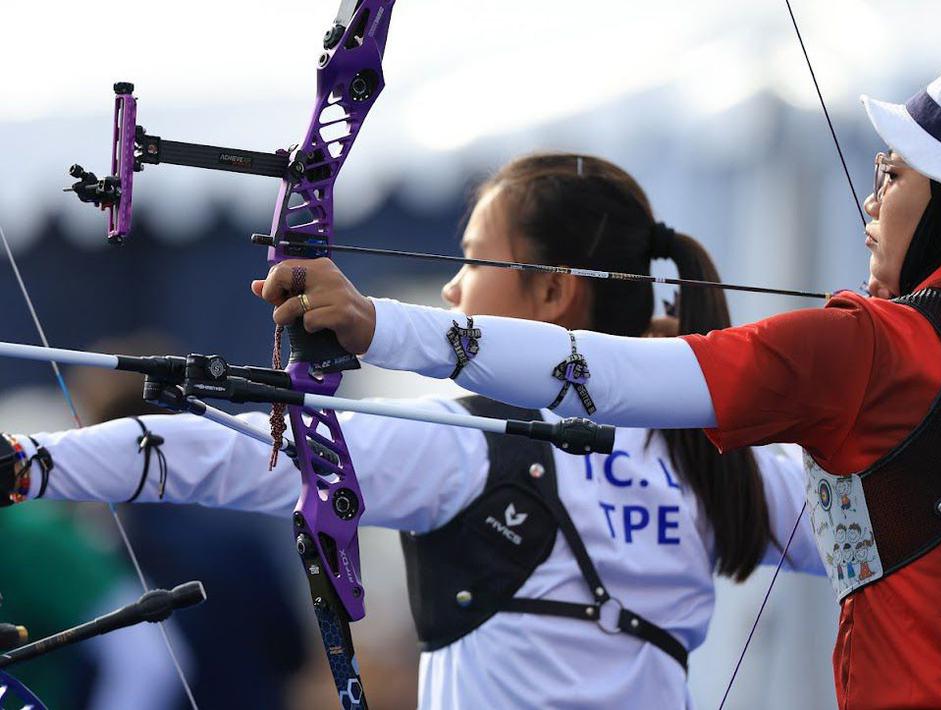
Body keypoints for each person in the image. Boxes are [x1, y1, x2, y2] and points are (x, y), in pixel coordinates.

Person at [265, 64, 941, 707]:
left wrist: (379, 325)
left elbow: (606, 373)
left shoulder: (867, 349)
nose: (870, 199)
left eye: (892, 174)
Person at [1, 153, 823, 709]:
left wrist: (31, 463)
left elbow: (225, 453)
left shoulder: (466, 448)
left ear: (552, 295)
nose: (456, 291)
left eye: (474, 261)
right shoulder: (721, 458)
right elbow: (890, 526)